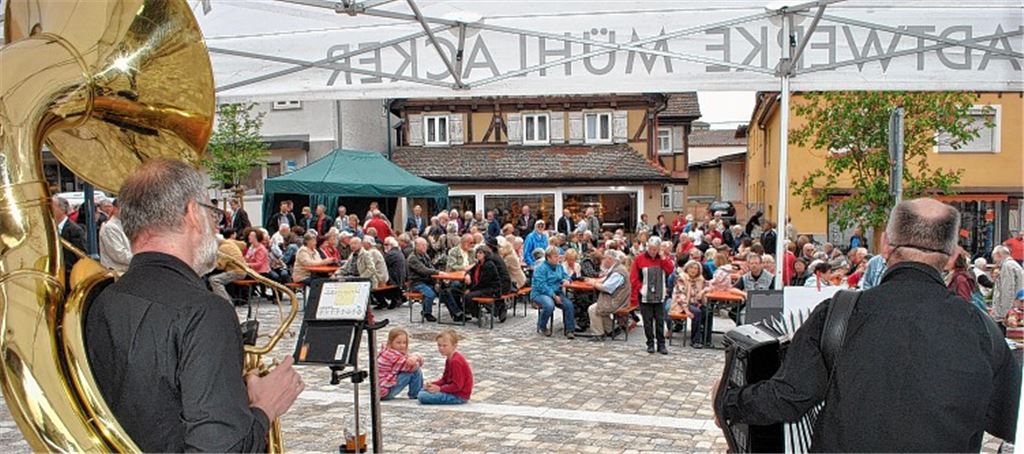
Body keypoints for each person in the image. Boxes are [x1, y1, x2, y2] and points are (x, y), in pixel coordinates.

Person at [715, 197, 1020, 452]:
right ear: (953, 256)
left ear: (886, 244)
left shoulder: (839, 314)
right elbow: (1006, 421)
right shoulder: (984, 331)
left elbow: (787, 398)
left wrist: (727, 401)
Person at [85, 159, 303, 451]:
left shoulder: (102, 301)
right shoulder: (205, 312)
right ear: (191, 212)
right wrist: (265, 408)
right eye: (212, 213)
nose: (215, 225)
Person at [630, 237, 674, 354]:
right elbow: (634, 277)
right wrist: (641, 288)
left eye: (655, 249)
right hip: (645, 295)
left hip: (659, 295)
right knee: (647, 321)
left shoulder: (663, 259)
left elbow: (670, 270)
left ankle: (661, 344)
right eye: (650, 249)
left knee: (660, 320)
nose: (652, 251)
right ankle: (650, 343)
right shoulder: (640, 259)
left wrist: (663, 258)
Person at [531, 246, 576, 339]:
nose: (558, 258)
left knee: (569, 304)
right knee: (549, 305)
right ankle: (542, 325)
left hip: (557, 292)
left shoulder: (559, 267)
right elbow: (541, 285)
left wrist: (567, 280)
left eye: (558, 256)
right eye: (555, 256)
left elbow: (566, 275)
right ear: (548, 257)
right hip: (540, 293)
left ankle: (569, 330)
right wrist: (554, 296)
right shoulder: (541, 268)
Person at [418, 330, 473, 405]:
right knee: (423, 390)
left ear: (454, 346)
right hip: (452, 391)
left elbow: (457, 386)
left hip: (459, 395)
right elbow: (445, 379)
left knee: (422, 396)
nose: (441, 348)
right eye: (439, 345)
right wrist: (433, 384)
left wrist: (439, 389)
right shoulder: (449, 359)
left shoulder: (456, 361)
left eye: (444, 346)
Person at [586, 250, 631, 340]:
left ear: (610, 259)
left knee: (593, 309)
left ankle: (599, 334)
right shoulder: (618, 268)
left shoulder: (618, 272)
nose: (602, 261)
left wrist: (594, 284)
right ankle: (612, 329)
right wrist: (594, 281)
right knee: (600, 307)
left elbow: (607, 288)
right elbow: (605, 279)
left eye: (604, 258)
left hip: (618, 301)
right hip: (619, 298)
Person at [377, 328, 424, 401]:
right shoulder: (393, 356)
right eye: (398, 342)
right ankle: (416, 394)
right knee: (415, 371)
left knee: (412, 369)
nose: (402, 345)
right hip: (385, 392)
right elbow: (412, 366)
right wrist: (416, 357)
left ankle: (417, 393)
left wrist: (414, 357)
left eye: (404, 343)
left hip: (379, 390)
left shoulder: (387, 351)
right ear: (391, 342)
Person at [672, 259, 708, 348]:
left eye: (696, 268)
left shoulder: (700, 279)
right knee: (697, 312)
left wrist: (702, 292)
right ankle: (695, 340)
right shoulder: (681, 278)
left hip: (696, 303)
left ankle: (706, 339)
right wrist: (686, 310)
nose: (693, 270)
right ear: (687, 268)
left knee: (708, 311)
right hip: (682, 304)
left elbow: (709, 287)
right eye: (691, 268)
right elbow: (680, 296)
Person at [52, 196, 87, 285]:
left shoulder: (75, 230)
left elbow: (81, 255)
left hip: (69, 278)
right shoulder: (50, 228)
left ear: (62, 209)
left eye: (52, 207)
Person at [461, 246, 501, 319]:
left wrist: (470, 290)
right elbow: (470, 270)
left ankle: (478, 315)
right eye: (477, 253)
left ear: (486, 254)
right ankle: (476, 313)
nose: (478, 255)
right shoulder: (479, 264)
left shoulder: (489, 265)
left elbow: (483, 282)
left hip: (490, 289)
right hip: (481, 287)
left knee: (467, 296)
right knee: (460, 291)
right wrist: (468, 275)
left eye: (480, 253)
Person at [992, 245, 1024, 334]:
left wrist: (1005, 313)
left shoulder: (1007, 266)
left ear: (998, 254)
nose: (994, 261)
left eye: (994, 257)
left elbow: (1007, 290)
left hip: (1007, 312)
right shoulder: (1013, 265)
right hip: (1014, 307)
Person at [98, 198, 132, 273]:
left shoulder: (124, 224)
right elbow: (119, 255)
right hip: (116, 273)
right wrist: (140, 258)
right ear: (116, 209)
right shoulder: (109, 227)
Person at [382, 237, 407, 309]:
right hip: (400, 278)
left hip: (394, 279)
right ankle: (399, 297)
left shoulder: (391, 254)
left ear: (391, 245)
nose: (384, 246)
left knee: (376, 284)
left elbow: (383, 264)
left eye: (386, 244)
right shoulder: (399, 252)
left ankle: (388, 301)